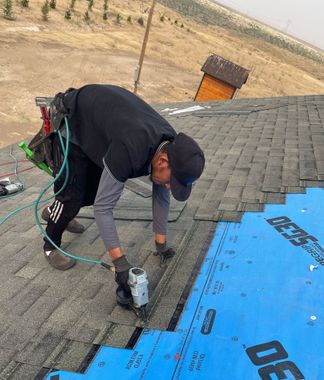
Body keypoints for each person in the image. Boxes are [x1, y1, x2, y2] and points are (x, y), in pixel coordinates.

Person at [41, 84, 205, 296]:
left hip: (101, 126)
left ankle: (58, 213)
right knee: (71, 195)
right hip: (75, 121)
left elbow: (162, 196)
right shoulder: (131, 149)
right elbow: (103, 208)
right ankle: (50, 243)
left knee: (92, 192)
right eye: (171, 181)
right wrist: (120, 262)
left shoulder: (170, 146)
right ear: (163, 160)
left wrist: (161, 244)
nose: (168, 186)